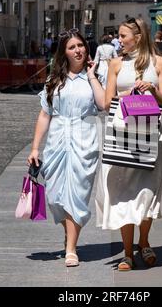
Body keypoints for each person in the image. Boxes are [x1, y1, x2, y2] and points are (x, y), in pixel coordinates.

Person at [95, 17, 162, 271]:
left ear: (137, 37)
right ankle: (127, 252)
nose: (119, 40)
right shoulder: (115, 64)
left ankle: (144, 241)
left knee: (147, 194)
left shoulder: (159, 62)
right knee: (123, 195)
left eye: (123, 36)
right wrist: (128, 94)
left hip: (150, 136)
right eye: (119, 35)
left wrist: (152, 89)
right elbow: (106, 103)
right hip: (122, 137)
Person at [27, 28, 105, 267]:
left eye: (80, 45)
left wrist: (92, 75)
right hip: (57, 142)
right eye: (72, 47)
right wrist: (35, 148)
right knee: (55, 197)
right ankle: (69, 231)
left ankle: (71, 247)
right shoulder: (54, 80)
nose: (77, 50)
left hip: (84, 141)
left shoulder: (95, 77)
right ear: (64, 52)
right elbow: (44, 115)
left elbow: (102, 104)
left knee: (78, 196)